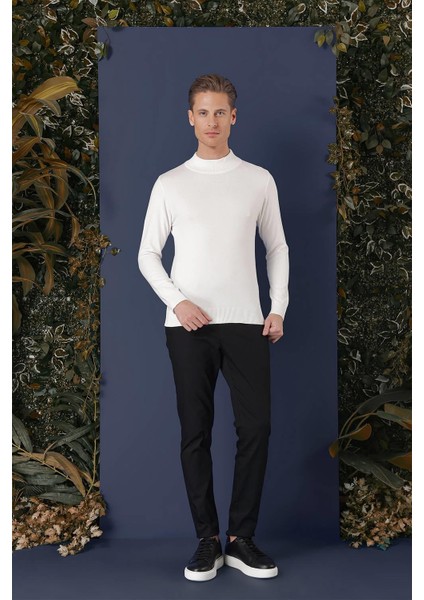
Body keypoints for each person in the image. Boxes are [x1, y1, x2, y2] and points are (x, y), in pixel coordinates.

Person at [138, 73, 289, 582]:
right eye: (203, 112)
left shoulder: (258, 179)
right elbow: (147, 254)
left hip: (247, 322)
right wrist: (178, 302)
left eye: (220, 112)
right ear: (190, 117)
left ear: (233, 117)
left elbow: (277, 247)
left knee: (256, 428)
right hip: (188, 327)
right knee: (195, 433)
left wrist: (278, 306)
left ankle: (241, 539)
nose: (211, 121)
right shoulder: (170, 183)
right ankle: (207, 540)